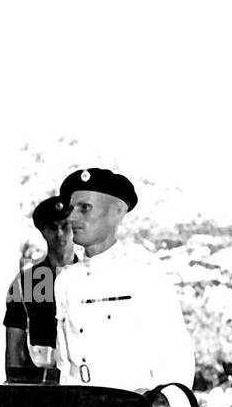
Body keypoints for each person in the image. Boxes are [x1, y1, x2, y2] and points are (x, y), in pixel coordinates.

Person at [53, 167, 194, 392]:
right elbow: (64, 364)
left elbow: (175, 356)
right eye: (71, 209)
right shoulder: (65, 281)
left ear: (117, 212)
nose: (72, 217)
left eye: (84, 208)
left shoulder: (144, 274)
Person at [3, 196, 76, 382]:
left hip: (80, 381)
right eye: (53, 228)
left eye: (65, 226)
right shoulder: (25, 283)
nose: (59, 234)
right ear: (43, 232)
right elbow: (14, 348)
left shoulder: (90, 278)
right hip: (38, 383)